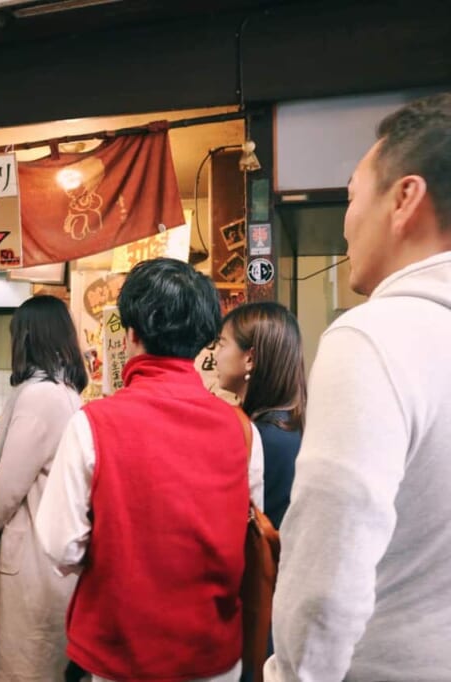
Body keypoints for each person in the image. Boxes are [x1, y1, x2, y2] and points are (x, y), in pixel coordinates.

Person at [265, 93, 451, 681]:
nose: (346, 221)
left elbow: (327, 576)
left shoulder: (376, 336)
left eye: (351, 196)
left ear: (404, 199)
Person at [36, 257, 262, 682]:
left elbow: (59, 545)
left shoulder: (92, 424)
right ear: (204, 340)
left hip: (121, 656)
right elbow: (246, 532)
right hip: (215, 657)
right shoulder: (243, 430)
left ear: (132, 331)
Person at [0, 295, 88, 681]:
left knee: (24, 667)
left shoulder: (41, 397)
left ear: (27, 338)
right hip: (57, 561)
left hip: (33, 563)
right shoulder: (67, 393)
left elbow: (6, 488)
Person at [214, 302, 306, 529]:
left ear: (250, 359)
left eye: (222, 344)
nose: (215, 355)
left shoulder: (260, 437)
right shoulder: (291, 426)